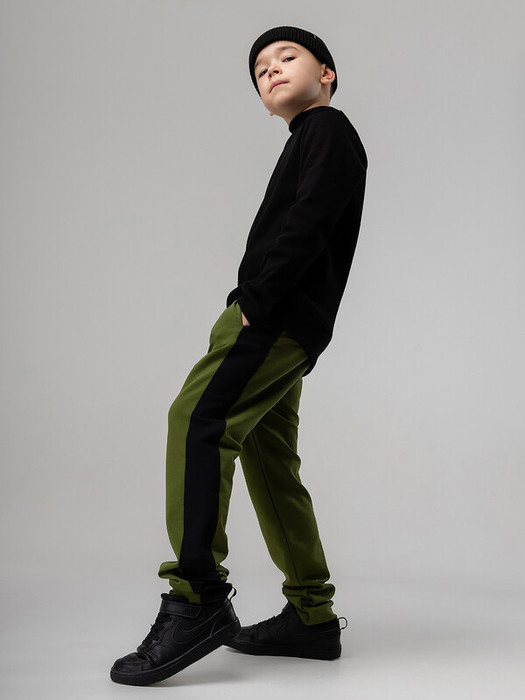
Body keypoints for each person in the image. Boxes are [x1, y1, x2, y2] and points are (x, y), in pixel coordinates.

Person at [110, 24, 368, 686]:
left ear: (327, 74)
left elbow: (310, 218)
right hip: (292, 323)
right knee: (268, 459)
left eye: (287, 57)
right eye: (260, 70)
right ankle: (311, 615)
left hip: (272, 316)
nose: (271, 69)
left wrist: (256, 297)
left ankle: (196, 597)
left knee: (197, 421)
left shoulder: (327, 128)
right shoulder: (311, 138)